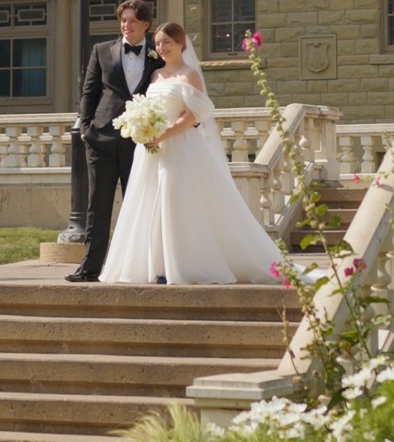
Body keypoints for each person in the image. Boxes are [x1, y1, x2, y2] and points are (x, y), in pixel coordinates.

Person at [99, 21, 284, 286]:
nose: (162, 47)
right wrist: (141, 130)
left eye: (167, 42)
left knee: (175, 203)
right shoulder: (155, 76)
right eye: (159, 42)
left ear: (181, 44)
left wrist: (162, 134)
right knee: (149, 203)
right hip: (150, 151)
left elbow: (192, 116)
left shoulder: (189, 75)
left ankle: (182, 265)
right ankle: (156, 266)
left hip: (179, 146)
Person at [66, 0, 158, 283]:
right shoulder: (102, 50)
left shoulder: (159, 52)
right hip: (102, 138)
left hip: (141, 143)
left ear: (146, 24)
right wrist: (85, 127)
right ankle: (89, 268)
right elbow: (89, 91)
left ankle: (142, 268)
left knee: (141, 206)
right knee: (98, 205)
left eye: (132, 20)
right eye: (123, 20)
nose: (125, 25)